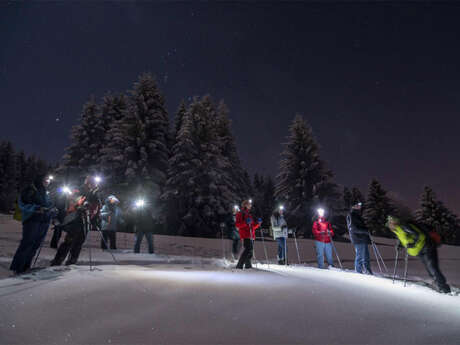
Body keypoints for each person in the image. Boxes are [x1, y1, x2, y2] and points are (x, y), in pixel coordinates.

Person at [386, 216, 451, 293]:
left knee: (433, 269)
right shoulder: (397, 231)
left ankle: (444, 289)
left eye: (390, 223)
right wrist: (400, 245)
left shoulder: (404, 226)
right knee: (430, 269)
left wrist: (413, 244)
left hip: (427, 247)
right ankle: (439, 285)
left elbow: (419, 235)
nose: (389, 225)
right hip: (419, 251)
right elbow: (404, 238)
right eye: (389, 224)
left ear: (394, 222)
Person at [51, 176, 101, 266]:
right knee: (69, 241)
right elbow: (73, 198)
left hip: (86, 220)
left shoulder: (94, 193)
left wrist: (95, 217)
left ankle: (72, 261)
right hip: (75, 218)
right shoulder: (79, 189)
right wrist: (81, 203)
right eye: (92, 184)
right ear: (88, 183)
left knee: (79, 242)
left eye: (95, 184)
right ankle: (57, 260)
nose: (94, 185)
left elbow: (96, 206)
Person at [10, 174, 54, 274]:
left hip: (44, 221)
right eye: (45, 180)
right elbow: (23, 204)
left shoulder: (45, 192)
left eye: (48, 180)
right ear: (40, 179)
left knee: (35, 244)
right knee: (27, 243)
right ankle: (18, 267)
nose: (47, 182)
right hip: (32, 220)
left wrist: (52, 210)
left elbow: (48, 204)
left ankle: (26, 266)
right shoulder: (30, 190)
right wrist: (36, 208)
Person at [347, 202, 372, 274]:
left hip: (363, 238)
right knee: (360, 255)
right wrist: (364, 231)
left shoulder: (358, 215)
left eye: (360, 205)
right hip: (358, 238)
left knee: (366, 256)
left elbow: (361, 226)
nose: (359, 206)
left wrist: (367, 230)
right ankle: (358, 270)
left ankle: (367, 270)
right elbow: (353, 229)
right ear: (353, 206)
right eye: (357, 205)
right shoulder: (351, 215)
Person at [235, 200, 261, 269]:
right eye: (249, 204)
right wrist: (245, 222)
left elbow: (251, 226)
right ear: (245, 205)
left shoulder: (249, 214)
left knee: (250, 251)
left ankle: (248, 265)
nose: (250, 205)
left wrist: (258, 224)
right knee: (248, 249)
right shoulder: (240, 213)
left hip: (251, 235)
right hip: (245, 234)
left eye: (250, 204)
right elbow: (238, 225)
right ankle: (239, 265)